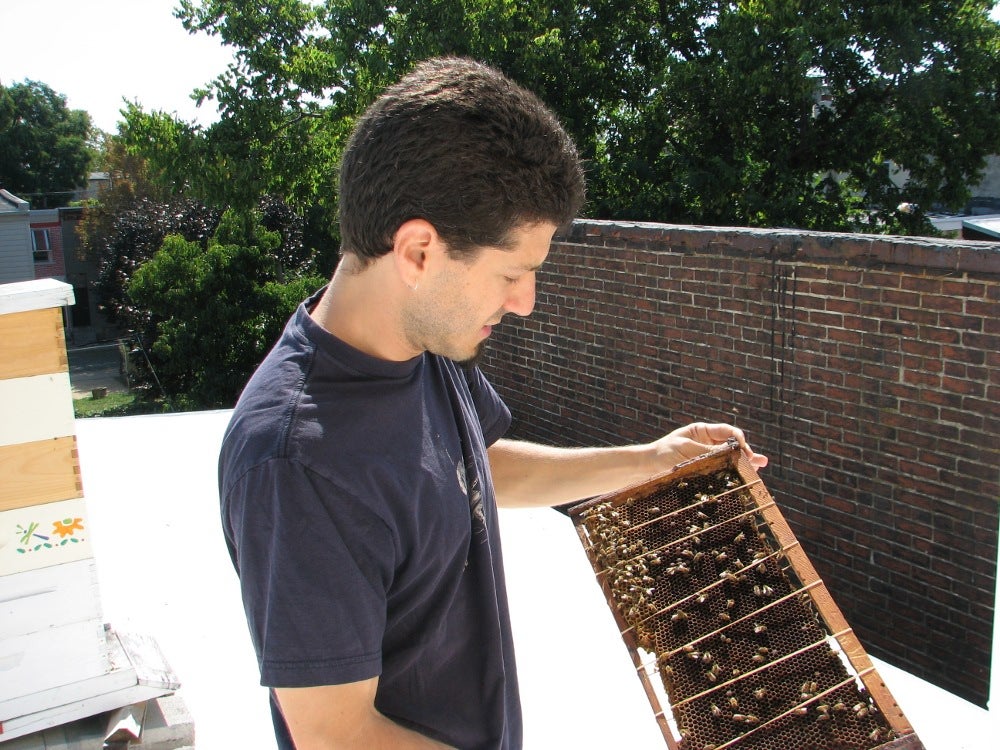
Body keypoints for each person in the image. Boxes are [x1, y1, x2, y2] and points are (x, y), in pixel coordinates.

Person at [218, 56, 767, 750]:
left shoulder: (423, 348)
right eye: (513, 273)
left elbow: (475, 466)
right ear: (418, 251)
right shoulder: (296, 464)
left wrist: (648, 460)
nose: (525, 303)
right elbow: (336, 735)